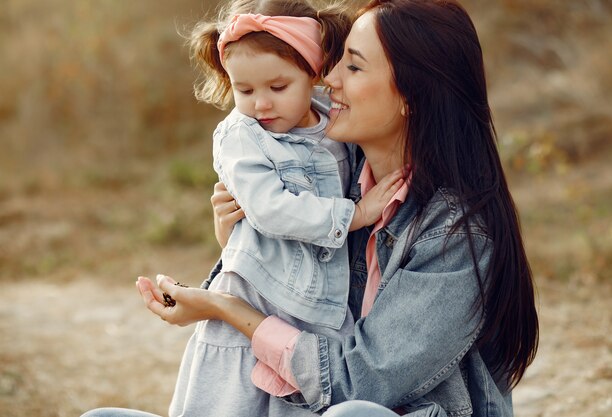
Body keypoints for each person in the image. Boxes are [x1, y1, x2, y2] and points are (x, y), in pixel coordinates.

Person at [93, 0, 541, 416]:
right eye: (338, 59)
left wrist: (226, 307)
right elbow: (297, 282)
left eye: (354, 65)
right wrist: (235, 240)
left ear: (410, 95)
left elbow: (356, 383)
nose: (330, 78)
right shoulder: (333, 186)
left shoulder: (456, 233)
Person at [81, 1, 406, 417]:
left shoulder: (337, 125)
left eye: (278, 87)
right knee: (230, 404)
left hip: (314, 315)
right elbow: (270, 210)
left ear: (314, 72)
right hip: (255, 302)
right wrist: (355, 214)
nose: (261, 105)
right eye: (245, 90)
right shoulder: (242, 136)